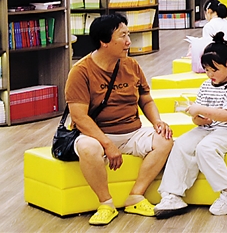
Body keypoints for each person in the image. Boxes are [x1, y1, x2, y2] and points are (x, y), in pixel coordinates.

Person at [65, 14, 173, 225]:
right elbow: (79, 117)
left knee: (165, 139)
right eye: (123, 36)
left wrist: (157, 122)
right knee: (88, 148)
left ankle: (136, 196)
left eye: (128, 35)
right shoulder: (81, 72)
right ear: (104, 42)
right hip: (97, 134)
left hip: (132, 131)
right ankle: (106, 203)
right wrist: (107, 144)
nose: (128, 42)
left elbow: (146, 99)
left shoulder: (131, 65)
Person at [154, 32, 227, 218]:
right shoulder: (206, 86)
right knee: (181, 144)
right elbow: (198, 119)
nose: (210, 74)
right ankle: (173, 194)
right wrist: (197, 117)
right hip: (208, 128)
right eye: (206, 70)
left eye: (214, 70)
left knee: (205, 148)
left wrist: (202, 109)